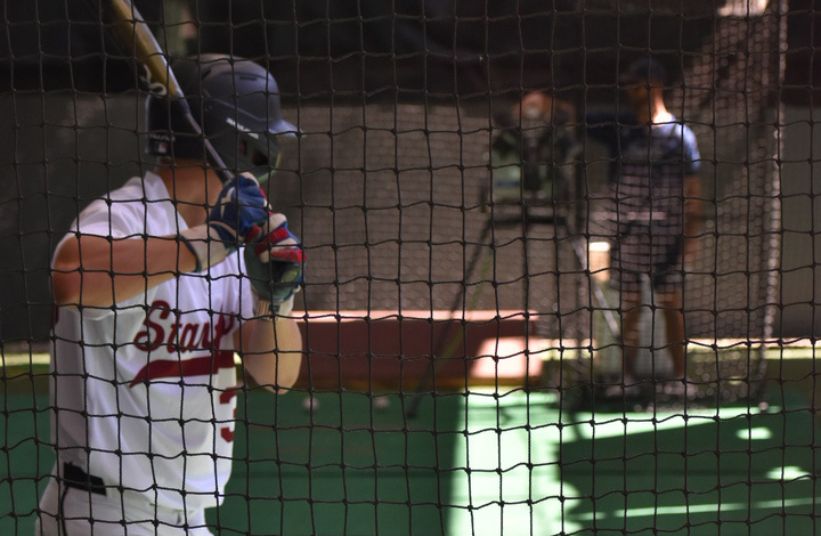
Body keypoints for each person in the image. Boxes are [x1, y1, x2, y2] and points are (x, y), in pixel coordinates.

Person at [37, 54, 304, 535]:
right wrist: (203, 244)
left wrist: (276, 300)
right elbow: (70, 275)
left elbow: (278, 376)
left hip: (186, 516)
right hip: (105, 511)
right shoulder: (125, 214)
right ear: (242, 143)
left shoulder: (237, 230)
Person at [521, 58, 702, 397]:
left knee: (670, 304)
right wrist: (544, 104)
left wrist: (691, 237)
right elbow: (576, 117)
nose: (630, 91)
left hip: (668, 236)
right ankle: (626, 378)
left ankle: (680, 377)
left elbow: (693, 192)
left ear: (654, 85)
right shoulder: (622, 127)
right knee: (630, 304)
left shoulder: (680, 136)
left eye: (636, 84)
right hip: (628, 233)